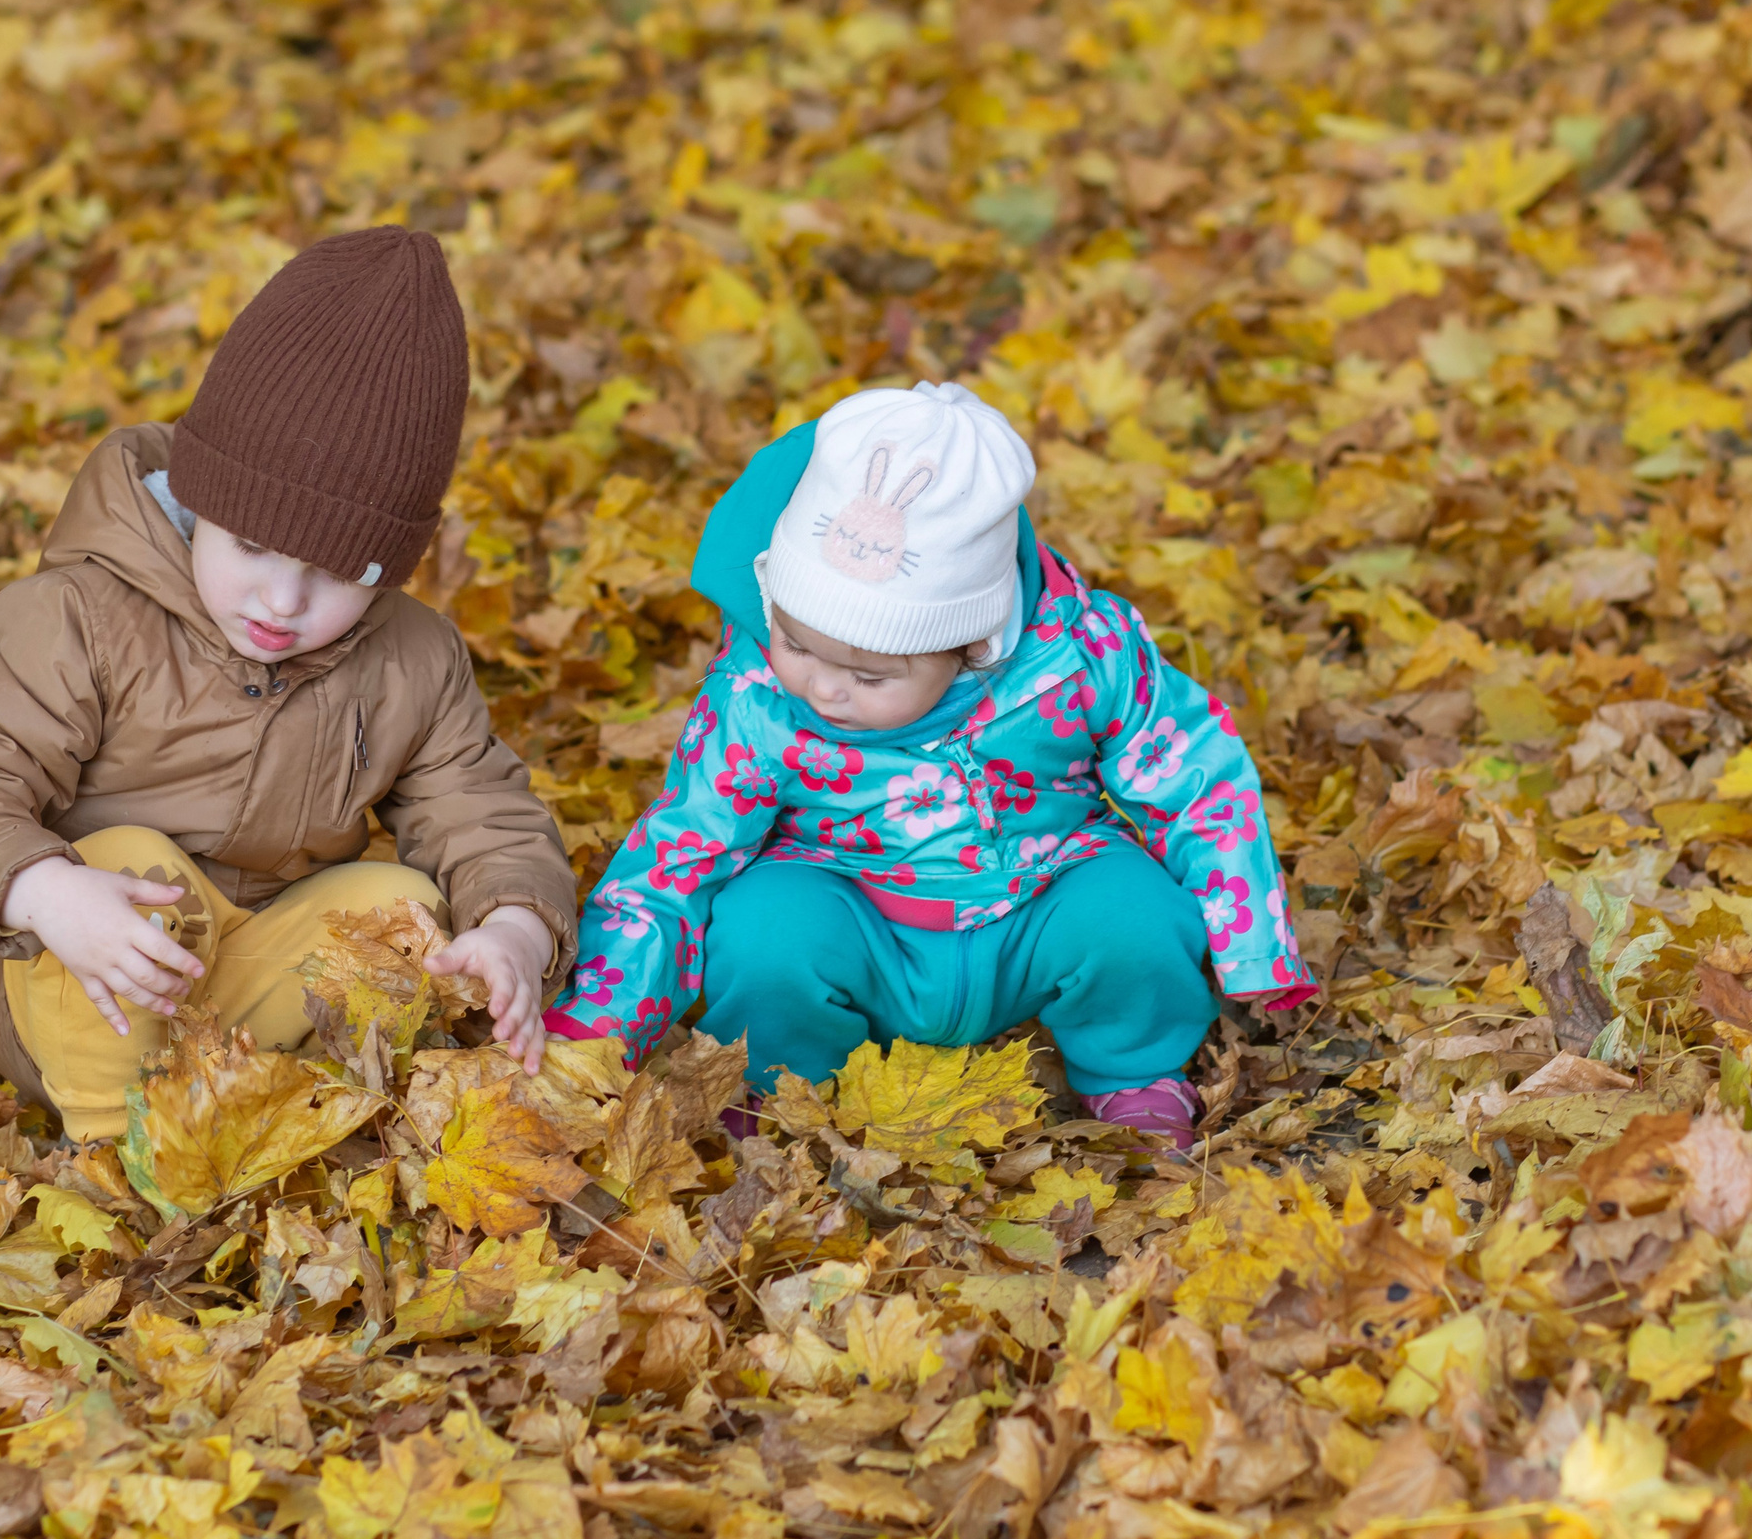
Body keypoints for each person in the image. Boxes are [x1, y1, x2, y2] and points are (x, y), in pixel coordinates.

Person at [0, 227, 575, 1142]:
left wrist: (517, 926)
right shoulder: (82, 615)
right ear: (199, 500)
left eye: (338, 574)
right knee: (139, 865)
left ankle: (255, 1095)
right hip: (60, 959)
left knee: (401, 908)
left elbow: (478, 807)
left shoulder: (411, 657)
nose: (282, 601)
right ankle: (122, 1141)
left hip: (249, 964)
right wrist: (43, 892)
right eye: (252, 546)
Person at [542, 382, 1311, 1145]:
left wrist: (1252, 944)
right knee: (761, 931)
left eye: (869, 675)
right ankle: (784, 1084)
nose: (824, 687)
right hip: (851, 908)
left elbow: (1194, 775)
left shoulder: (1076, 658)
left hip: (1037, 896)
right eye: (795, 642)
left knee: (1132, 912)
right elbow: (680, 855)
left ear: (971, 645)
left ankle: (1131, 1070)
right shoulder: (758, 699)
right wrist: (593, 1039)